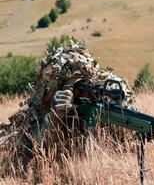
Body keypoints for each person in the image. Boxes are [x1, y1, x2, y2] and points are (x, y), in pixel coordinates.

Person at [0, 39, 136, 175]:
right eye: (72, 86)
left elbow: (124, 140)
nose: (78, 91)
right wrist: (55, 116)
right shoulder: (37, 112)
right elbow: (37, 145)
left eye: (80, 85)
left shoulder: (98, 94)